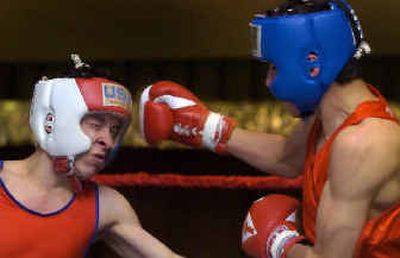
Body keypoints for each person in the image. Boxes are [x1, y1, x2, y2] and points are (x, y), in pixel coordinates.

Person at [138, 0, 400, 257]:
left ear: (312, 65)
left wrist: (279, 243)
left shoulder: (362, 142)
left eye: (275, 67)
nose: (268, 81)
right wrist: (205, 127)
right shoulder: (329, 118)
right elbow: (286, 157)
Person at [0, 54, 184, 258]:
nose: (108, 142)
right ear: (52, 121)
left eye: (114, 131)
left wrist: (216, 130)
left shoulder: (105, 206)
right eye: (95, 125)